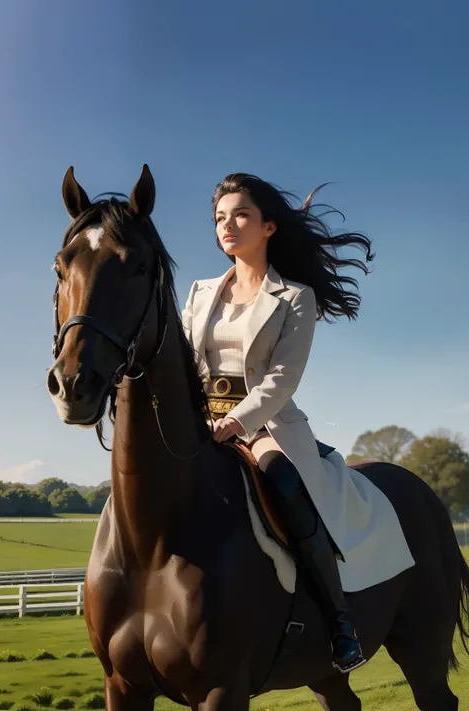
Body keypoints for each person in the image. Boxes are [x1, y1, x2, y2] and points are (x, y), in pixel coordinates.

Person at [181, 173, 374, 674]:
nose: (228, 225)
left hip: (262, 425)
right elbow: (181, 364)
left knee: (284, 482)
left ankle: (339, 620)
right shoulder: (200, 292)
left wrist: (234, 424)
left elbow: (281, 381)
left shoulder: (295, 297)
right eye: (220, 218)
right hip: (197, 422)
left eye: (241, 214)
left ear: (268, 226)